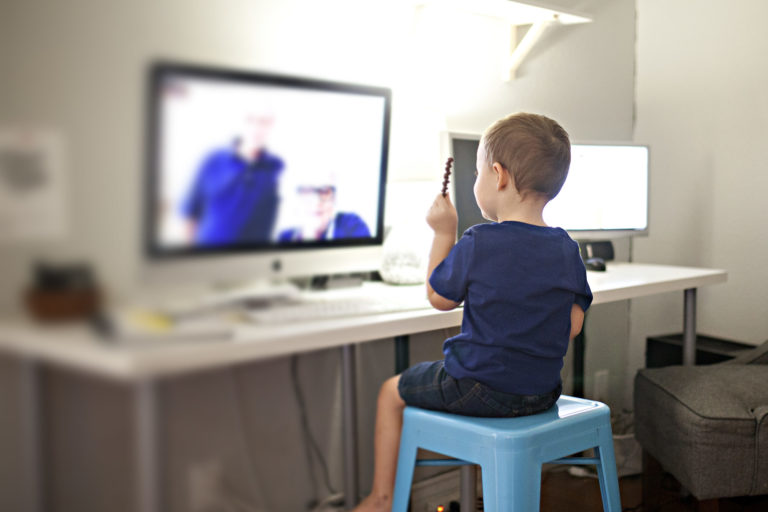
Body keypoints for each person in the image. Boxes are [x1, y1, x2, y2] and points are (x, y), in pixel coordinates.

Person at [352, 112, 592, 512]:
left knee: (390, 391)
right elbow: (572, 325)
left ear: (497, 176)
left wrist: (443, 233)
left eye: (478, 172)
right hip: (542, 393)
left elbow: (437, 296)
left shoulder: (478, 241)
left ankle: (381, 499)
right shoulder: (566, 248)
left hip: (479, 388)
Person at [182, 109, 284, 245]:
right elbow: (190, 213)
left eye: (264, 122)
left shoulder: (275, 167)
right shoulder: (214, 159)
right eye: (251, 120)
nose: (257, 128)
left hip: (252, 261)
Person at [277, 178, 370, 242]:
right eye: (307, 191)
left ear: (334, 199)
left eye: (324, 191)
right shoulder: (284, 238)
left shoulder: (351, 226)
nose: (316, 201)